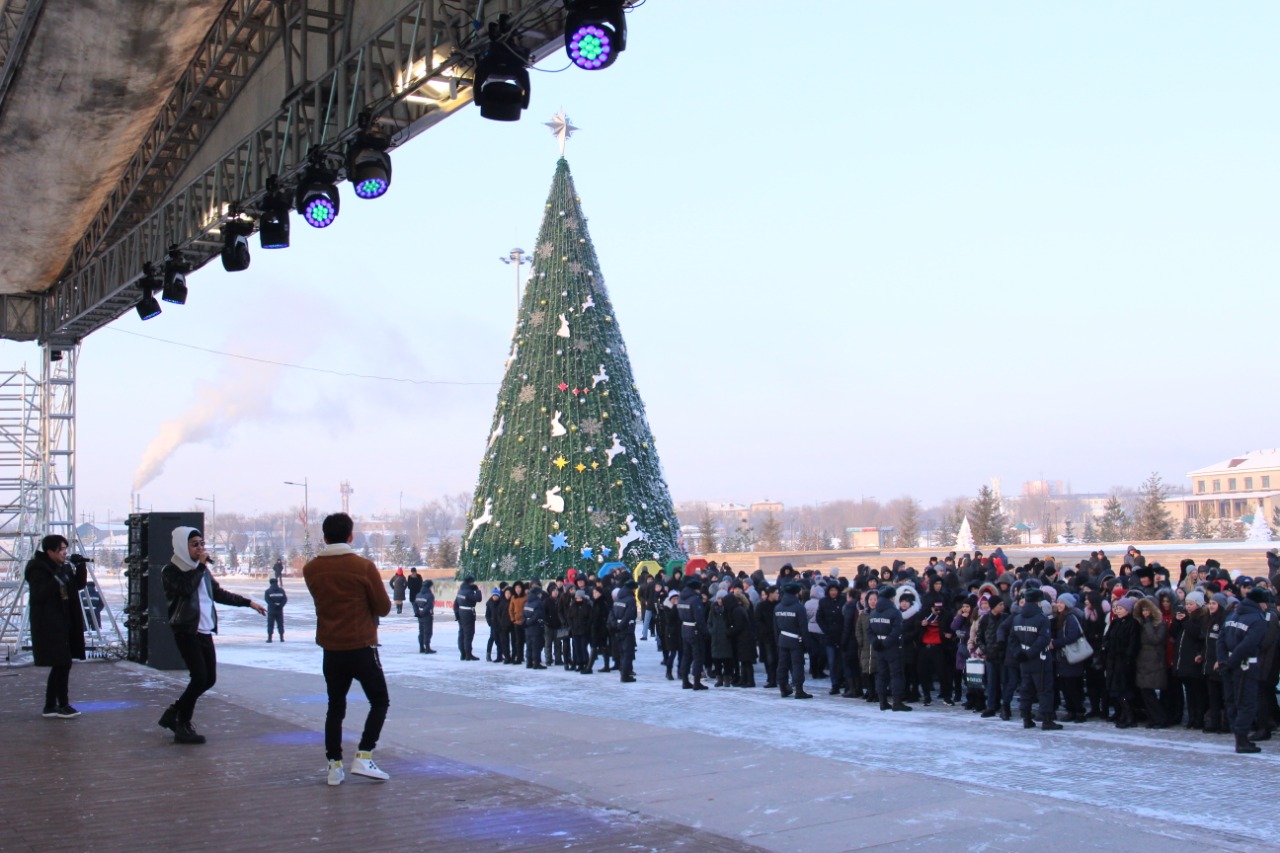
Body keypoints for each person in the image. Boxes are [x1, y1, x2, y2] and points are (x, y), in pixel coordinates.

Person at [303, 513, 393, 785]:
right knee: (379, 701)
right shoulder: (363, 567)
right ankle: (364, 755)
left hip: (331, 649)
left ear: (325, 537)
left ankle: (334, 765)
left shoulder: (311, 569)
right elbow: (384, 608)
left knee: (335, 707)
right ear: (351, 536)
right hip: (362, 646)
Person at [159, 527, 266, 744]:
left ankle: (174, 712)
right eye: (194, 544)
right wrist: (200, 566)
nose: (200, 548)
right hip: (186, 629)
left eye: (201, 543)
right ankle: (182, 723)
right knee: (199, 677)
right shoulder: (171, 571)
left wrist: (248, 603)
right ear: (182, 546)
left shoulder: (202, 571)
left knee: (209, 679)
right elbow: (186, 588)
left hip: (204, 630)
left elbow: (217, 594)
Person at [25, 534, 87, 718]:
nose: (64, 553)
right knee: (62, 663)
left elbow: (77, 585)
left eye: (65, 549)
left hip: (64, 621)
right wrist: (59, 578)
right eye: (61, 549)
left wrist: (80, 566)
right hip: (49, 623)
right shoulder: (38, 569)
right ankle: (62, 704)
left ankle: (51, 705)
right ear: (50, 552)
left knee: (61, 664)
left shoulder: (60, 567)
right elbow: (39, 595)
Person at [774, 582, 812, 699]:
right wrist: (807, 644)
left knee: (782, 665)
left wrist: (778, 641)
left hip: (782, 639)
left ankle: (783, 688)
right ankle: (799, 690)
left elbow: (775, 628)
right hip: (796, 640)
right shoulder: (799, 608)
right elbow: (803, 628)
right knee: (797, 665)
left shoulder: (778, 607)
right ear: (796, 593)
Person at [454, 576, 481, 660]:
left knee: (461, 633)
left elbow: (455, 603)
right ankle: (468, 654)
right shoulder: (469, 591)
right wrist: (477, 590)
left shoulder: (460, 590)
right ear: (470, 582)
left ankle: (462, 654)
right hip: (468, 613)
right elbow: (479, 599)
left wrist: (457, 614)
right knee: (468, 634)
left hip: (461, 612)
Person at [415, 579, 436, 653]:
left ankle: (421, 648)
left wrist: (417, 613)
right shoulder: (430, 595)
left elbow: (415, 604)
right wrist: (423, 612)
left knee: (421, 631)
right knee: (427, 632)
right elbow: (429, 606)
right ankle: (427, 648)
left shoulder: (418, 594)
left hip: (420, 616)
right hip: (427, 615)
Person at [264, 576, 288, 642]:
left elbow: (267, 600)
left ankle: (270, 638)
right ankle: (281, 638)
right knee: (280, 624)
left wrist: (273, 605)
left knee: (270, 624)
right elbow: (285, 599)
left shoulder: (267, 591)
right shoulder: (281, 590)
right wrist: (280, 605)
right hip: (280, 611)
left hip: (271, 610)